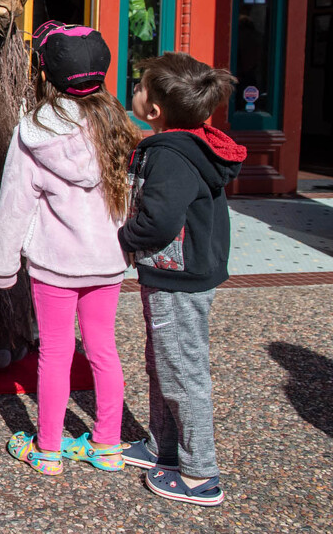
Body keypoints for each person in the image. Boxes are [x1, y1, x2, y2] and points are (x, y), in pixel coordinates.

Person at [0, 21, 140, 475]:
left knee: (55, 353)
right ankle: (108, 444)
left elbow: (15, 202)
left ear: (47, 73)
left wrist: (2, 265)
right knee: (103, 350)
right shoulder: (119, 125)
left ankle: (48, 449)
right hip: (108, 261)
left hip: (55, 264)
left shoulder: (34, 131)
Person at [119, 52, 245, 506]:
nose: (134, 90)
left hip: (178, 280)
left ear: (153, 109)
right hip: (178, 274)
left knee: (181, 373)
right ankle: (163, 447)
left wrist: (122, 237)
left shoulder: (170, 155)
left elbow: (159, 220)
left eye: (139, 85)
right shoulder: (188, 144)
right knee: (163, 364)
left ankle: (199, 474)